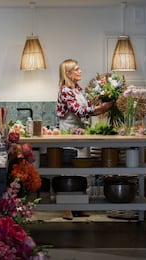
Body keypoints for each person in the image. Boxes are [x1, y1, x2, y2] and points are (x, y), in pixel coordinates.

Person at [56, 58, 112, 220]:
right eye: (77, 69)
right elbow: (79, 111)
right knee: (68, 172)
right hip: (69, 134)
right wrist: (100, 109)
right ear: (68, 73)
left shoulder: (79, 90)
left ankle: (78, 207)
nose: (80, 71)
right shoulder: (64, 90)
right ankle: (66, 208)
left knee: (83, 171)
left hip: (82, 132)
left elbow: (86, 107)